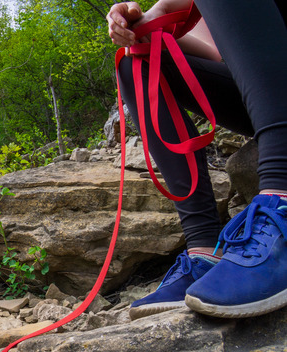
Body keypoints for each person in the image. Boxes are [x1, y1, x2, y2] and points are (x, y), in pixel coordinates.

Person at [107, 0, 287, 319]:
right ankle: (203, 253)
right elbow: (219, 53)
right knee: (136, 61)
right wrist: (148, 24)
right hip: (269, 92)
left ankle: (282, 197)